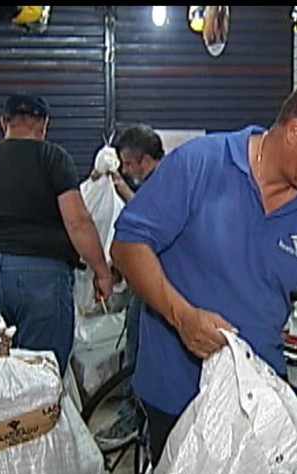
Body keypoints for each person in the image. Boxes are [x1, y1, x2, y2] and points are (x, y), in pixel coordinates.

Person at [112, 78, 297, 468]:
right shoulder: (201, 164)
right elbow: (127, 245)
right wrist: (182, 317)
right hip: (176, 395)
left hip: (256, 405)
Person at [0, 92, 114, 375]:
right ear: (43, 124)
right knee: (40, 376)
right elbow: (77, 221)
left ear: (4, 122)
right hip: (41, 274)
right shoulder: (52, 158)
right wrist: (101, 272)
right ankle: (36, 421)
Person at [94, 124, 164, 451]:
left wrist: (114, 267)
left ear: (143, 160)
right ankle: (142, 424)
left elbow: (146, 227)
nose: (124, 169)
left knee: (140, 357)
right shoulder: (163, 182)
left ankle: (135, 422)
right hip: (154, 284)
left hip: (155, 287)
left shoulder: (163, 184)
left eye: (127, 163)